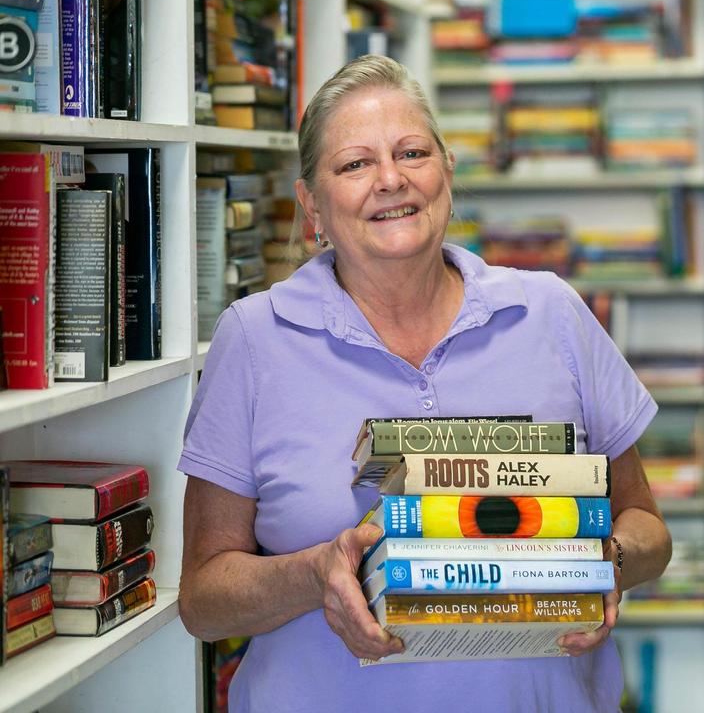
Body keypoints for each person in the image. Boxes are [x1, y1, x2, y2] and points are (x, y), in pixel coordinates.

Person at [177, 54, 673, 712]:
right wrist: (316, 574)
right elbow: (203, 602)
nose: (391, 180)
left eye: (412, 152)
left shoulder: (551, 312)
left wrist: (604, 560)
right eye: (355, 164)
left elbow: (648, 530)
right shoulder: (254, 337)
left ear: (447, 170)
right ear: (312, 204)